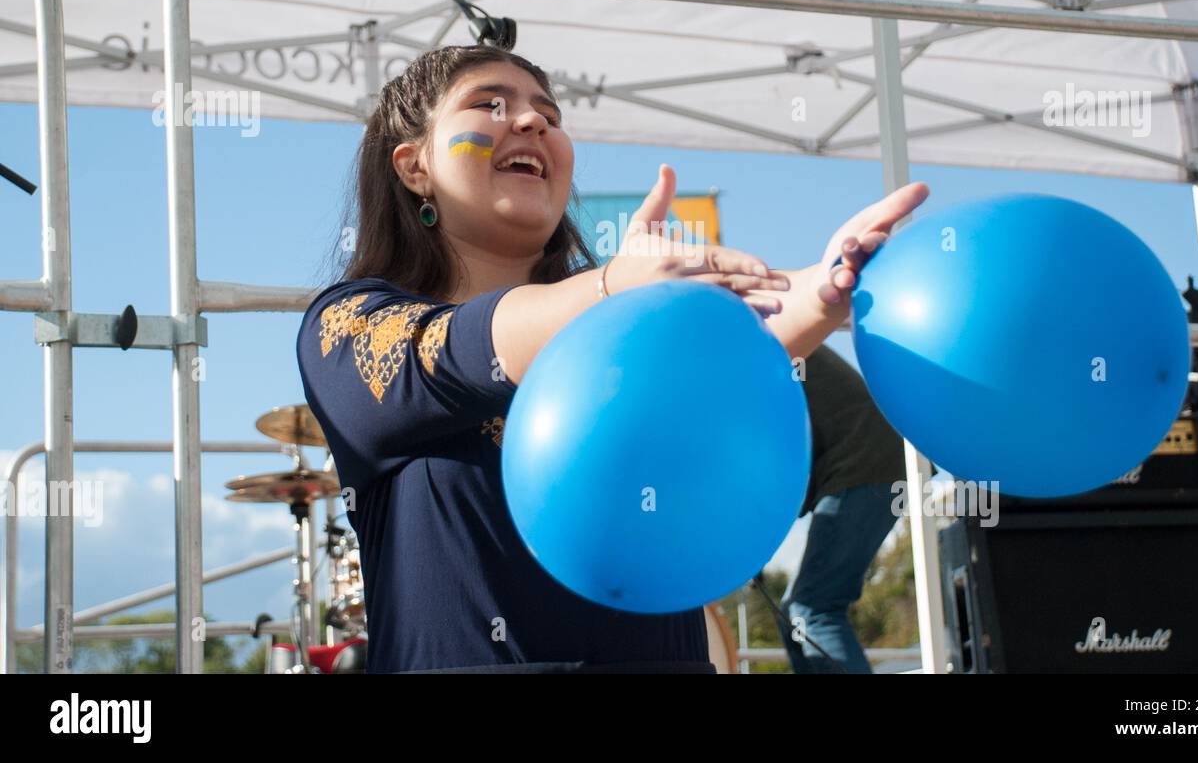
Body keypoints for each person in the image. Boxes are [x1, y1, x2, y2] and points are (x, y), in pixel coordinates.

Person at [295, 44, 929, 673]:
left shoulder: (619, 320)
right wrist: (616, 291)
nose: (533, 121)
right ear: (413, 167)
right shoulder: (348, 327)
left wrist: (826, 284)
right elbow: (463, 348)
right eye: (490, 104)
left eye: (550, 113)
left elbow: (729, 340)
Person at [776, 343, 905, 674]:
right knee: (795, 611)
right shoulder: (765, 338)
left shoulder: (748, 347)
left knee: (813, 609)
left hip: (864, 465)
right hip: (877, 462)